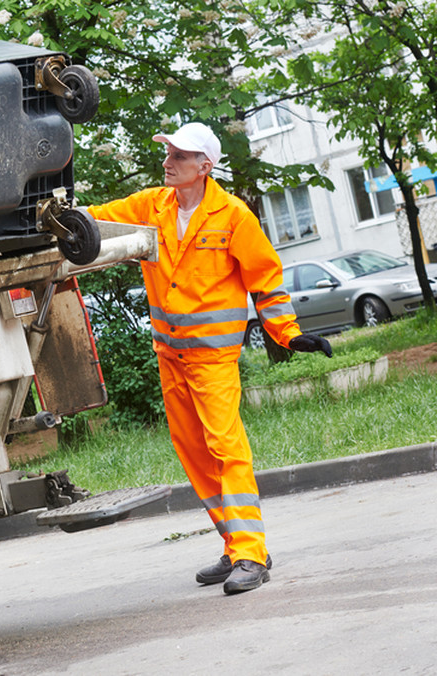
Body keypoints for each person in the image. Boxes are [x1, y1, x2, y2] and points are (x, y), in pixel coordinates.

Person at [86, 122, 332, 594]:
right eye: (167, 153)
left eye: (180, 155)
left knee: (226, 448)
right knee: (195, 454)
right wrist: (50, 215)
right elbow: (93, 219)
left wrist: (288, 333)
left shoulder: (233, 215)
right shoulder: (150, 207)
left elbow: (265, 279)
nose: (168, 161)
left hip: (213, 360)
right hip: (171, 357)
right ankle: (235, 543)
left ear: (205, 166)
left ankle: (251, 555)